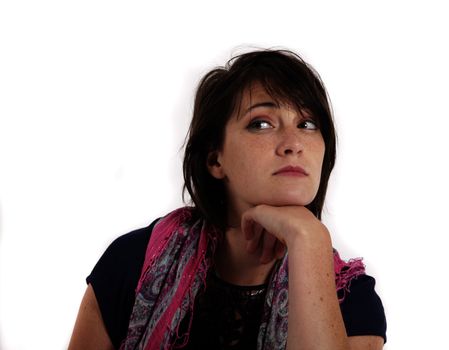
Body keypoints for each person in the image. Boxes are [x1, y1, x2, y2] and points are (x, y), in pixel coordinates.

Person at [69, 48, 387, 350]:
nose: (293, 143)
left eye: (307, 124)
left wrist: (309, 238)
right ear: (215, 160)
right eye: (261, 124)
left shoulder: (352, 299)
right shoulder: (131, 263)